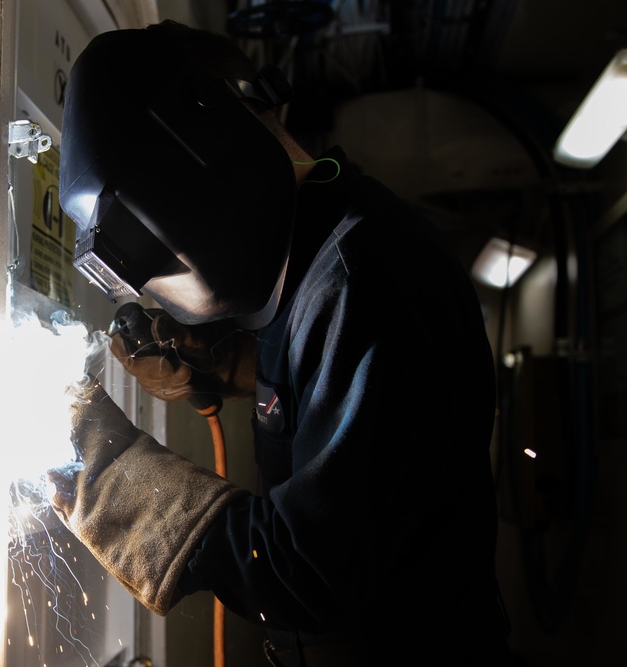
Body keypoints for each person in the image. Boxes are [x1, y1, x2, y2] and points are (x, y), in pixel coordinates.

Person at [49, 20, 512, 666]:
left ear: (213, 126)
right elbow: (335, 383)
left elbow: (307, 567)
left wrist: (95, 464)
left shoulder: (370, 277)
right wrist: (220, 364)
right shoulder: (313, 263)